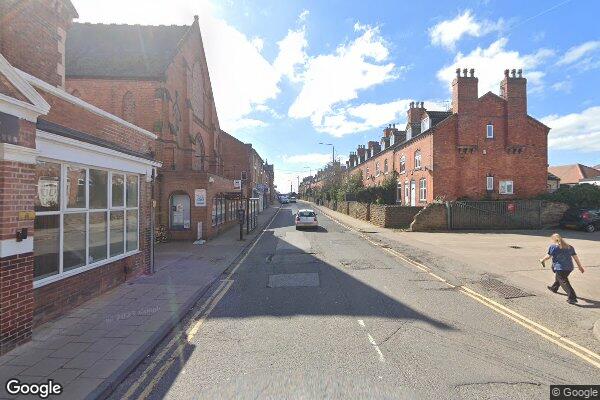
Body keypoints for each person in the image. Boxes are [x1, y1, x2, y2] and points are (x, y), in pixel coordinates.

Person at [540, 233, 585, 304]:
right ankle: (554, 288)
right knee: (560, 278)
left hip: (560, 268)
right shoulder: (570, 247)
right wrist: (580, 267)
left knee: (563, 281)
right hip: (569, 268)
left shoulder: (553, 247)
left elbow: (548, 256)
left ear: (554, 240)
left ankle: (572, 298)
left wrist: (542, 260)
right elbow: (576, 258)